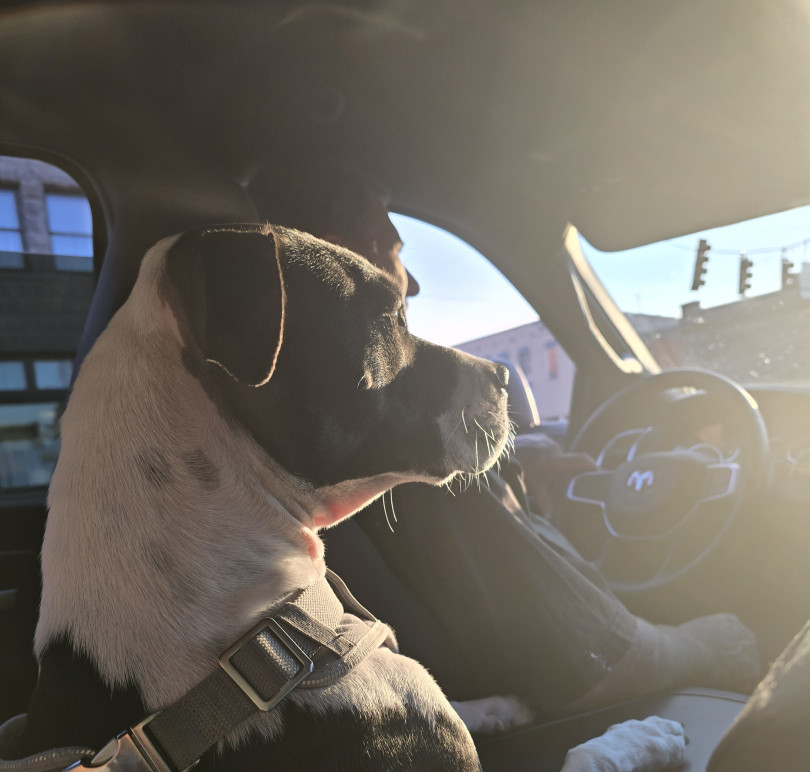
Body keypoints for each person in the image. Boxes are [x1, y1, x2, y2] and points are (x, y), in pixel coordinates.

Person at [247, 160, 762, 720]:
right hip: (537, 720)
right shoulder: (400, 445)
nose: (412, 283)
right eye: (392, 249)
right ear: (343, 253)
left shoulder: (281, 426)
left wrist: (517, 470)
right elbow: (595, 666)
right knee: (745, 637)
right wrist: (708, 646)